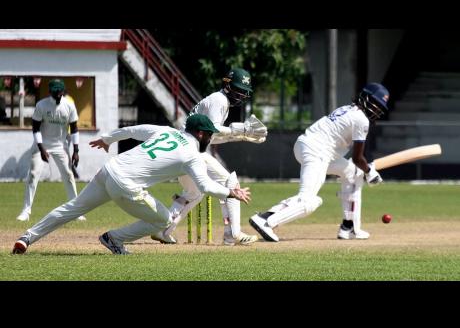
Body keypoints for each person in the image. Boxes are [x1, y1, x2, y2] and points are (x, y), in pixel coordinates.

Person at [12, 114, 253, 255]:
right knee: (163, 220)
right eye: (209, 135)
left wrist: (107, 139)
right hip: (125, 185)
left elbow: (132, 130)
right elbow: (205, 186)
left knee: (72, 208)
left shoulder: (166, 131)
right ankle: (113, 238)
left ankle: (27, 238)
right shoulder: (192, 154)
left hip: (108, 170)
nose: (210, 139)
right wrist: (232, 192)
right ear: (201, 134)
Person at [249, 83, 390, 241]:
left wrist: (365, 171)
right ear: (366, 98)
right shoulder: (362, 120)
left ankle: (349, 227)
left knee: (352, 172)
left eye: (380, 108)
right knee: (309, 200)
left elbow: (356, 162)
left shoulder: (348, 108)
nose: (376, 110)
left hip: (307, 145)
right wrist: (371, 173)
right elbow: (358, 158)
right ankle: (266, 220)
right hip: (318, 152)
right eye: (375, 104)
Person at [163, 68, 267, 246]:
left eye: (244, 92)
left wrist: (242, 136)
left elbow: (212, 136)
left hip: (184, 152)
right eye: (239, 90)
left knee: (193, 194)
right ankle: (232, 234)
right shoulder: (219, 100)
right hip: (191, 152)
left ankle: (163, 230)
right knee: (230, 181)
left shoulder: (219, 100)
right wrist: (242, 129)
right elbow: (215, 128)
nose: (241, 95)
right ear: (227, 85)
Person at [16, 79, 86, 222]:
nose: (58, 96)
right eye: (55, 93)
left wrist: (76, 150)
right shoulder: (41, 105)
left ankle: (76, 211)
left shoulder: (69, 105)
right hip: (42, 144)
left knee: (68, 175)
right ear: (50, 92)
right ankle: (26, 211)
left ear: (63, 92)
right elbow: (35, 128)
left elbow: (74, 129)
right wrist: (41, 148)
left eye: (60, 93)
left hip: (61, 145)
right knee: (33, 174)